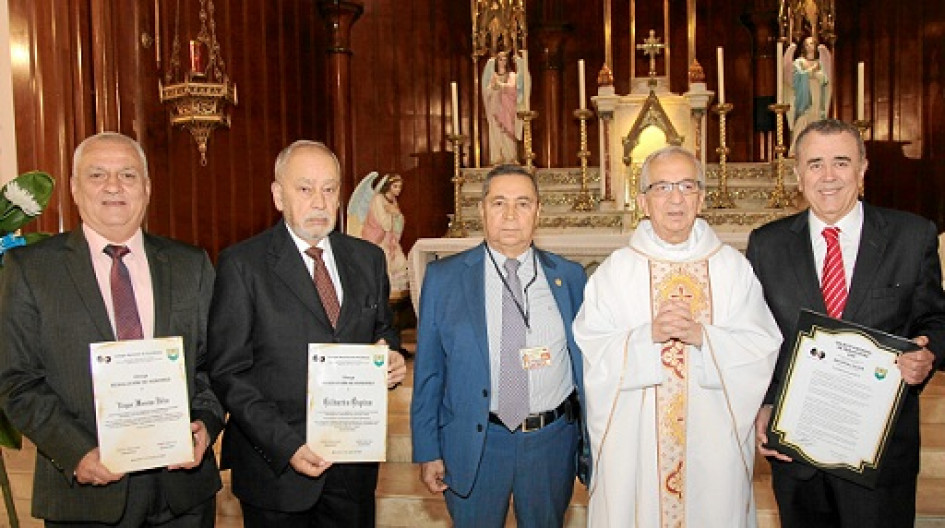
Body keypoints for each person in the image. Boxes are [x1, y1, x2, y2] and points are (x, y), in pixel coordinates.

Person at [0, 132, 223, 526]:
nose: (113, 186)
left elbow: (216, 366)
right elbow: (16, 381)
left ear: (148, 187)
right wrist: (77, 452)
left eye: (128, 175)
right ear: (73, 188)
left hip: (183, 499)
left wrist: (204, 425)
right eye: (97, 175)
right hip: (84, 498)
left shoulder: (191, 265)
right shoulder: (31, 270)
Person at [747, 119, 945, 528]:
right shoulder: (767, 244)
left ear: (863, 168)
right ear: (798, 173)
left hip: (879, 452)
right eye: (815, 164)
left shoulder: (912, 236)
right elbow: (757, 337)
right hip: (797, 454)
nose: (829, 176)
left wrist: (928, 352)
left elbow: (936, 319)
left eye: (841, 162)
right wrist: (764, 404)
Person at [573, 146, 782, 527]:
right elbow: (592, 349)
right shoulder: (616, 272)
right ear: (642, 200)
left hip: (713, 440)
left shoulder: (732, 269)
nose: (675, 198)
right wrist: (646, 337)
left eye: (687, 186)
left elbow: (761, 346)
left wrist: (703, 337)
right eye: (662, 187)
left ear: (702, 197)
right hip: (636, 446)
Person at [207, 140, 407, 528]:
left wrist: (393, 358)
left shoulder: (367, 259)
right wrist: (287, 446)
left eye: (329, 189)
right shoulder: (242, 265)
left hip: (352, 470)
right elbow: (228, 371)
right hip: (276, 472)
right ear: (278, 195)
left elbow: (383, 331)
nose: (319, 201)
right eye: (305, 188)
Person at [410, 164, 587, 527]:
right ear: (482, 210)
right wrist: (427, 450)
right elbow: (429, 371)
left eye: (523, 204)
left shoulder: (569, 278)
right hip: (476, 442)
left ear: (538, 211)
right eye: (499, 203)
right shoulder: (445, 279)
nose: (510, 215)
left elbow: (587, 367)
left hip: (549, 443)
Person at [348, 172, 409, 295]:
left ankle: (394, 286)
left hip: (389, 238)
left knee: (400, 262)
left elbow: (399, 220)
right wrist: (392, 214)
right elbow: (385, 224)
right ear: (388, 186)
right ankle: (384, 286)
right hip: (376, 237)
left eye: (400, 187)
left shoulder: (393, 200)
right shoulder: (378, 199)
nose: (398, 190)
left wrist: (396, 214)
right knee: (384, 261)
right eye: (395, 186)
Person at [785, 36, 831, 153]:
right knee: (803, 120)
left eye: (813, 44)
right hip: (804, 96)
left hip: (817, 93)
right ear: (804, 47)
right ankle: (795, 149)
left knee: (817, 119)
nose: (811, 46)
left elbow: (825, 80)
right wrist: (811, 72)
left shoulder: (819, 63)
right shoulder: (799, 62)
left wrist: (817, 75)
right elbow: (796, 78)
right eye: (808, 44)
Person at [481, 51, 527, 165]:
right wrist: (492, 88)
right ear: (497, 61)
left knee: (508, 131)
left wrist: (501, 86)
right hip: (495, 109)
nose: (503, 61)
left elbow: (513, 90)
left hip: (507, 109)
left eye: (505, 59)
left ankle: (510, 156)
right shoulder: (493, 76)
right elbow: (487, 92)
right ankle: (497, 156)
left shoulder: (511, 76)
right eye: (500, 59)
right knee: (496, 132)